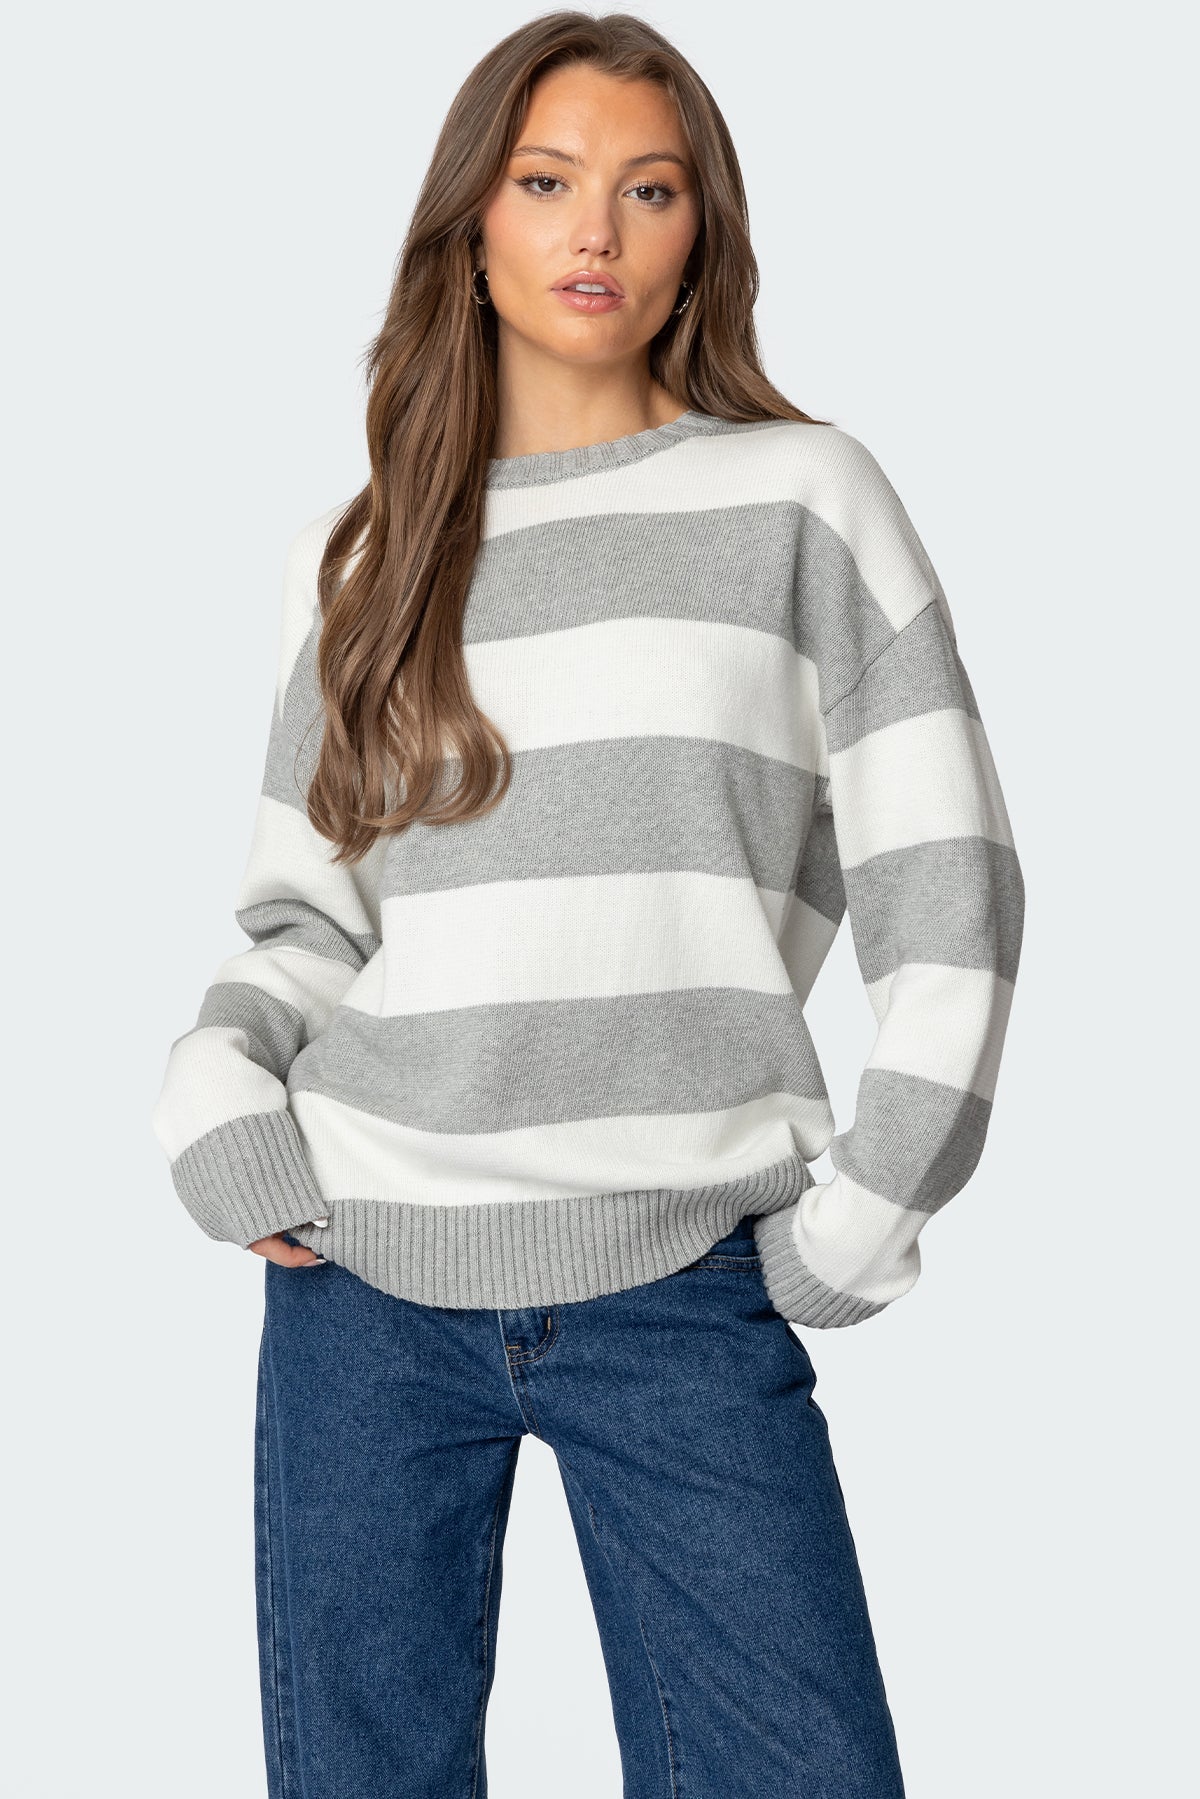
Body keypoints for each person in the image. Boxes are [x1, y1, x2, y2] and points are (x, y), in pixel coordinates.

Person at [152, 13, 1025, 1796]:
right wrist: (219, 1099)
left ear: (705, 229)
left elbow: (953, 899)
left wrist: (865, 1215)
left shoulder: (804, 500)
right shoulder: (369, 555)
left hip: (686, 1277)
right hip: (363, 1283)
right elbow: (303, 924)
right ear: (472, 224)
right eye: (547, 183)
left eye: (651, 189)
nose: (596, 232)